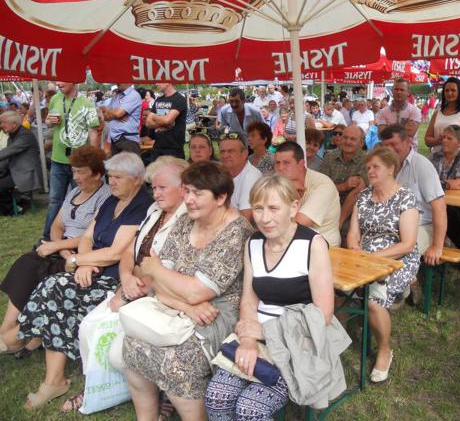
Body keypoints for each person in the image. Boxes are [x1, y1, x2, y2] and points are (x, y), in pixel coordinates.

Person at [15, 152, 152, 409]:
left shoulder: (142, 205)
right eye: (110, 176)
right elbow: (87, 236)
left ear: (136, 179)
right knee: (52, 286)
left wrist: (79, 261)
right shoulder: (111, 201)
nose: (111, 182)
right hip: (91, 270)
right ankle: (50, 374)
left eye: (118, 177)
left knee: (55, 288)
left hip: (114, 279)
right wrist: (85, 262)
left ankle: (44, 367)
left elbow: (116, 252)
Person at [124, 161, 253, 421]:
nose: (189, 199)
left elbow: (196, 291)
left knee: (179, 361)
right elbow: (157, 282)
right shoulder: (185, 222)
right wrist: (185, 304)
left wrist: (158, 270)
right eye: (187, 191)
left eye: (198, 193)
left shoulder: (236, 232)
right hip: (179, 306)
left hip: (216, 314)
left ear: (221, 198)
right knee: (131, 346)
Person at [205, 174, 335, 419]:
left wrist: (265, 332)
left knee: (250, 408)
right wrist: (248, 342)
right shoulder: (253, 243)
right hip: (255, 334)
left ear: (293, 207)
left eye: (274, 208)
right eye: (258, 208)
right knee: (216, 396)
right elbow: (249, 299)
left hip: (297, 340)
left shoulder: (313, 244)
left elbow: (323, 314)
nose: (264, 218)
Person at [0, 146, 110, 355]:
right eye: (73, 171)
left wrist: (59, 247)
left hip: (83, 251)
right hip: (61, 248)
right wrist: (59, 247)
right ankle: (8, 327)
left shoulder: (105, 197)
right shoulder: (74, 192)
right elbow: (57, 225)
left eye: (81, 172)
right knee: (26, 263)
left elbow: (92, 235)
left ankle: (28, 334)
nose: (75, 177)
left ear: (97, 174)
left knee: (43, 270)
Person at [347, 146, 419, 383]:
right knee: (336, 287)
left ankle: (385, 350)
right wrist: (354, 248)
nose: (370, 171)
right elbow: (353, 233)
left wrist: (374, 258)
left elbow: (407, 244)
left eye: (376, 167)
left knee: (373, 300)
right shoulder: (363, 196)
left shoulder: (405, 197)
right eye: (368, 167)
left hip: (398, 260)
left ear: (391, 169)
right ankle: (337, 339)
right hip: (366, 257)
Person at [379, 124, 447, 268]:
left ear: (407, 142)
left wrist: (437, 246)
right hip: (392, 225)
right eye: (386, 146)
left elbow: (440, 207)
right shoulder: (384, 166)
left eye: (394, 144)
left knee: (397, 256)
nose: (390, 149)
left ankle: (401, 282)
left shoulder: (422, 165)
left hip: (422, 226)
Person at [43, 82, 100, 238]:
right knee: (55, 200)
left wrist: (93, 160)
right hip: (57, 159)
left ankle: (76, 235)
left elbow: (93, 132)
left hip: (79, 162)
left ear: (73, 81)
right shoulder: (55, 99)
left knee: (82, 198)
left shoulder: (87, 103)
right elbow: (48, 122)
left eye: (62, 79)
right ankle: (47, 236)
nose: (58, 83)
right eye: (57, 80)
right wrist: (49, 122)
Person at [274, 142, 341, 246]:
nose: (280, 168)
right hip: (292, 243)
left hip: (325, 247)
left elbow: (298, 224)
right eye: (277, 163)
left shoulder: (323, 184)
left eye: (286, 163)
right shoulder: (280, 183)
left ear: (301, 164)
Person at [429, 125, 460, 249]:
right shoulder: (435, 155)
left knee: (447, 211)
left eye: (449, 138)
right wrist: (446, 184)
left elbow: (459, 183)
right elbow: (426, 178)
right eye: (443, 137)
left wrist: (440, 184)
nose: (444, 140)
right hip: (439, 200)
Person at [320, 125, 368, 231]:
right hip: (328, 206)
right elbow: (321, 188)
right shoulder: (329, 157)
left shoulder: (367, 160)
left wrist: (339, 221)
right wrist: (343, 186)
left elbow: (357, 192)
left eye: (353, 139)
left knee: (347, 228)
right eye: (345, 137)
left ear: (361, 143)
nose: (348, 142)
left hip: (353, 211)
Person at [0, 111, 43, 210]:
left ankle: (15, 209)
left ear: (14, 124)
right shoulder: (13, 135)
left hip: (26, 173)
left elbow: (9, 152)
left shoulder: (25, 135)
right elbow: (7, 157)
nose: (1, 125)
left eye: (3, 123)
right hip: (15, 170)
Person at [424, 77, 460, 150]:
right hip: (437, 155)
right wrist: (438, 140)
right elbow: (427, 140)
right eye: (447, 90)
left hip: (458, 156)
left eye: (453, 90)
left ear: (459, 92)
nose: (449, 93)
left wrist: (455, 140)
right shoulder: (437, 113)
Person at [219, 133, 262, 223]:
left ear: (245, 154)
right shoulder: (220, 173)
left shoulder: (251, 177)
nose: (225, 155)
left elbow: (244, 221)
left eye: (231, 151)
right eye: (222, 151)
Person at [145, 83, 188, 162]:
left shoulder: (179, 99)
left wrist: (154, 116)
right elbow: (148, 122)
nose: (156, 84)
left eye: (159, 81)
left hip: (174, 148)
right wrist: (164, 122)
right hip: (157, 147)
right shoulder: (158, 100)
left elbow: (167, 120)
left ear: (168, 82)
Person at [376, 79, 421, 147]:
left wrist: (388, 128)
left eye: (402, 90)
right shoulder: (383, 111)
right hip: (389, 148)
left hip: (409, 148)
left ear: (408, 92)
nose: (399, 92)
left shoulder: (415, 111)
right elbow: (381, 134)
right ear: (392, 91)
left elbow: (410, 133)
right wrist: (404, 128)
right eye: (396, 89)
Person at [100, 84, 142, 155]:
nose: (117, 82)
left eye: (121, 79)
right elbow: (104, 116)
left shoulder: (133, 95)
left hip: (127, 139)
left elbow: (118, 113)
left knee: (130, 162)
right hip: (115, 139)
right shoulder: (116, 95)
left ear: (129, 82)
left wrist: (108, 111)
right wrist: (115, 115)